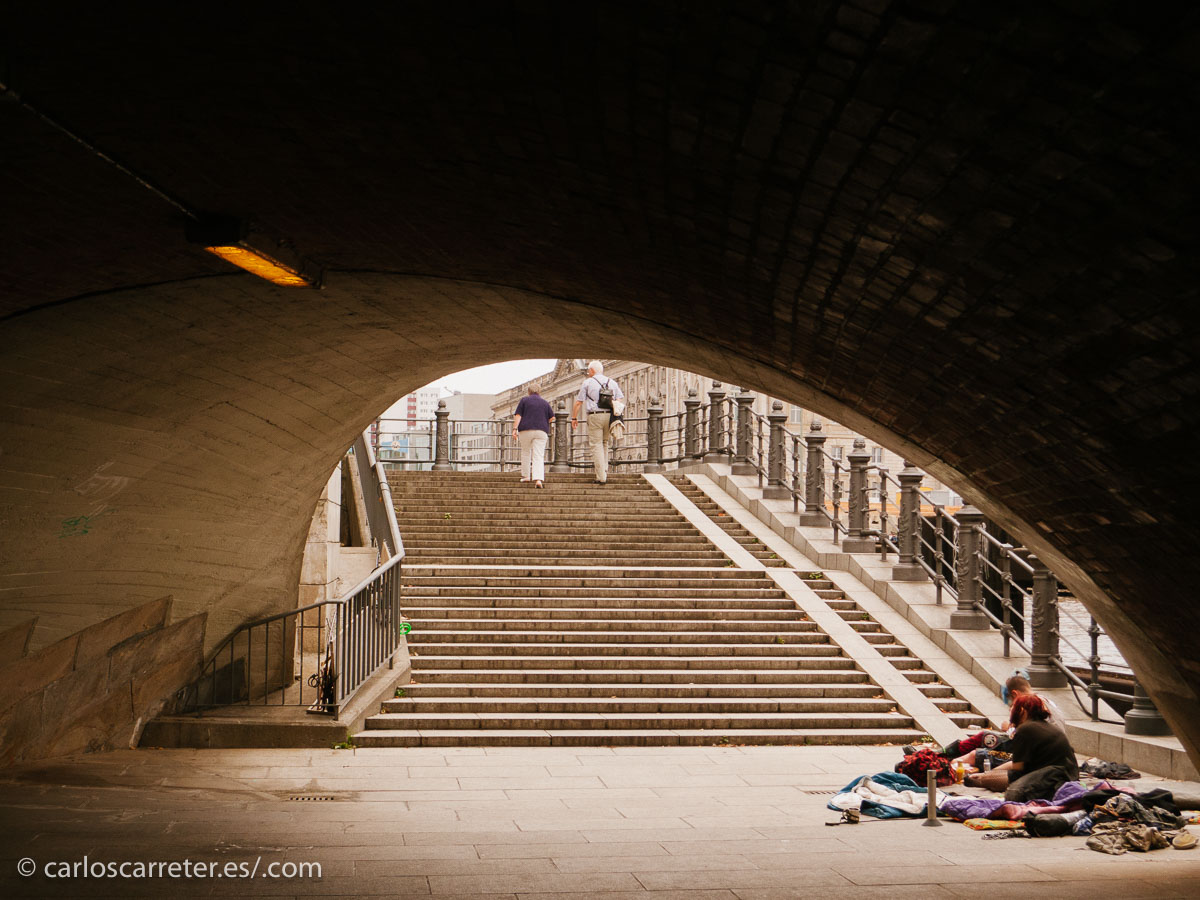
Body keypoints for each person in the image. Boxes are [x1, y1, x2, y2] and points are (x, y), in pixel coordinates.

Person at [966, 693, 1079, 801]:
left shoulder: (1025, 729)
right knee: (993, 777)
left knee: (1013, 792)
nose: (1011, 711)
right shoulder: (1044, 726)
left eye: (1013, 708)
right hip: (1068, 773)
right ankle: (980, 779)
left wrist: (987, 778)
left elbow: (1017, 771)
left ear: (1022, 711)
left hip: (1055, 777)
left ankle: (976, 781)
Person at [571, 360, 624, 484]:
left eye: (589, 370)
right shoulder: (612, 382)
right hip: (610, 416)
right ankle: (604, 470)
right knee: (604, 443)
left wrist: (574, 417)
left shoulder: (588, 382)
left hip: (595, 416)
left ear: (592, 371)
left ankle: (601, 477)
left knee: (596, 445)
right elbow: (619, 398)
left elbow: (579, 402)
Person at [512, 384, 555, 488]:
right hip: (541, 430)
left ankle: (526, 476)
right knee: (538, 455)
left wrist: (514, 429)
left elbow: (518, 416)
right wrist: (544, 421)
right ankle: (538, 479)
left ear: (528, 392)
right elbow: (552, 418)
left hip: (525, 430)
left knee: (526, 452)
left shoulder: (524, 401)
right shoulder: (545, 403)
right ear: (539, 392)